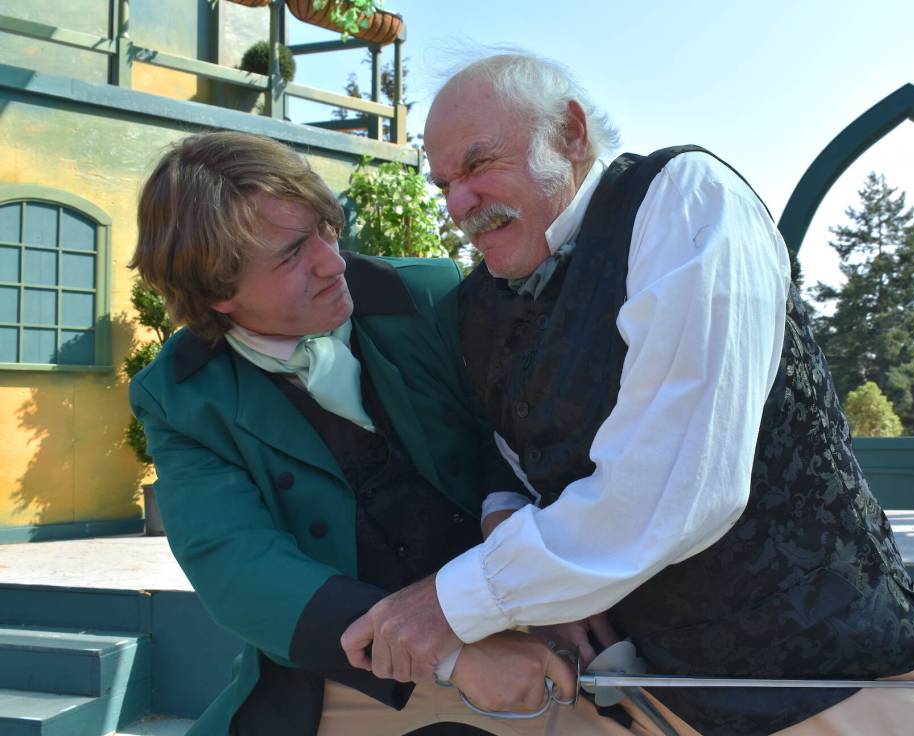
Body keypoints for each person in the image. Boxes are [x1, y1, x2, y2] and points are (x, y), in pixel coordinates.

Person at [341, 54, 914, 736]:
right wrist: (511, 528)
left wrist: (452, 604)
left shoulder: (684, 201)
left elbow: (675, 489)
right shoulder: (478, 302)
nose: (457, 205)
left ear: (569, 134)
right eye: (444, 182)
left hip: (845, 697)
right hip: (653, 704)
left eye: (478, 166)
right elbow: (507, 452)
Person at [128, 130, 637, 736]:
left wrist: (525, 562)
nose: (331, 261)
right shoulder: (181, 396)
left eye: (326, 228)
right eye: (292, 255)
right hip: (344, 670)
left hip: (535, 628)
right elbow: (240, 570)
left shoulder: (430, 296)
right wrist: (453, 655)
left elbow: (527, 432)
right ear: (217, 294)